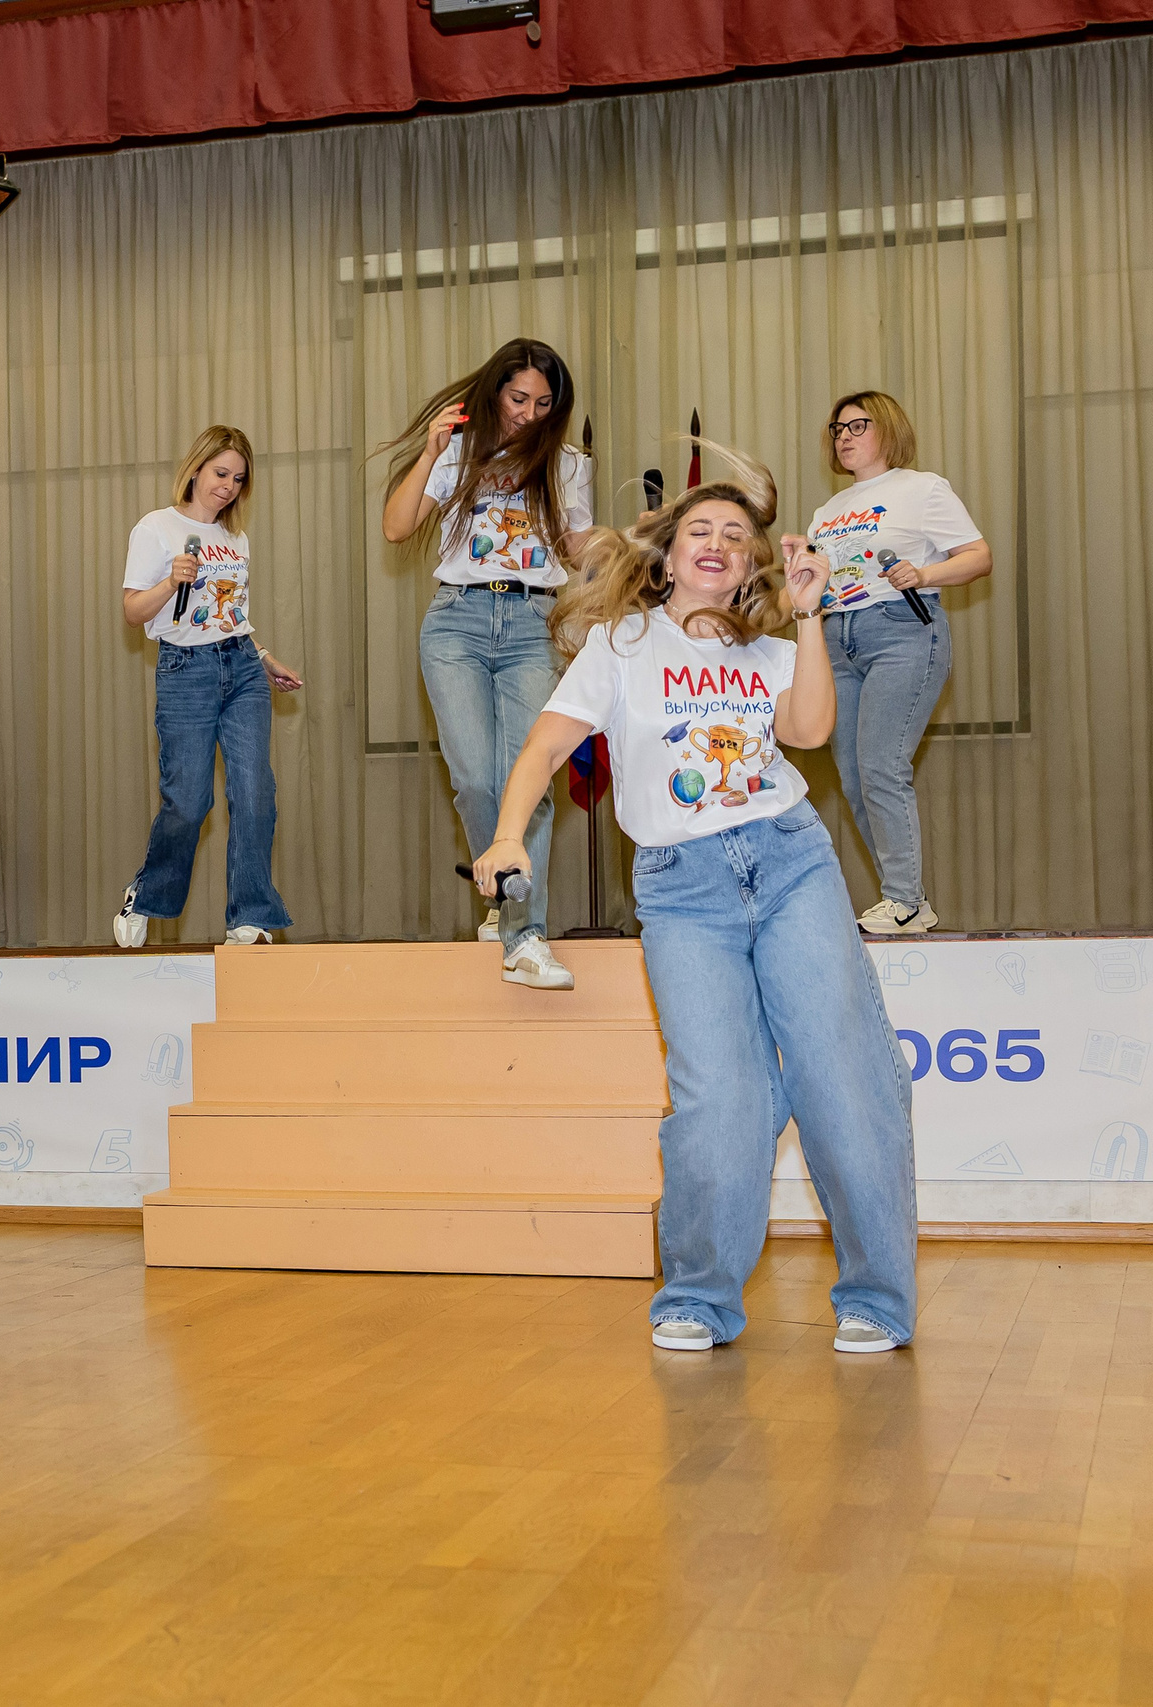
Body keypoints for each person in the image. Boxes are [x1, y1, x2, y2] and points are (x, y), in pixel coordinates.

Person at [473, 444, 917, 1356]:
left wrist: (809, 617)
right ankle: (700, 1296)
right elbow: (545, 747)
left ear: (752, 562)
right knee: (716, 1091)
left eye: (735, 535)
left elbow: (811, 731)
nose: (716, 542)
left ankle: (876, 1295)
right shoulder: (621, 643)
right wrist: (510, 830)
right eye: (699, 531)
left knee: (842, 1071)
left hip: (790, 860)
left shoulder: (767, 642)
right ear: (668, 555)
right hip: (683, 890)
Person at [381, 338, 593, 989]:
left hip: (534, 622)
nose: (528, 413)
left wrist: (632, 543)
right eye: (517, 397)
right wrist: (430, 452)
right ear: (495, 390)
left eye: (542, 403)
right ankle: (502, 895)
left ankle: (523, 934)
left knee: (530, 781)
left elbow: (579, 549)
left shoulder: (567, 463)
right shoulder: (460, 454)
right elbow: (396, 526)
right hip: (457, 622)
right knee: (476, 778)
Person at [112, 426, 305, 949]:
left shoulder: (235, 538)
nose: (228, 487)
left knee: (255, 791)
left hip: (241, 667)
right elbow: (133, 612)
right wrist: (169, 582)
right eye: (221, 474)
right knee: (189, 803)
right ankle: (146, 893)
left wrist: (261, 658)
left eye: (238, 480)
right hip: (184, 672)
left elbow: (230, 616)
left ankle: (250, 915)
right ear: (196, 469)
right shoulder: (155, 528)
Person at [805, 390, 991, 934]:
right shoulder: (827, 511)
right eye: (837, 428)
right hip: (839, 637)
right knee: (856, 776)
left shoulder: (922, 488)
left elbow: (979, 557)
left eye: (857, 426)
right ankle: (909, 901)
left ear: (887, 429)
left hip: (902, 631)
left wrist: (925, 573)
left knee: (883, 766)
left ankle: (904, 900)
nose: (844, 436)